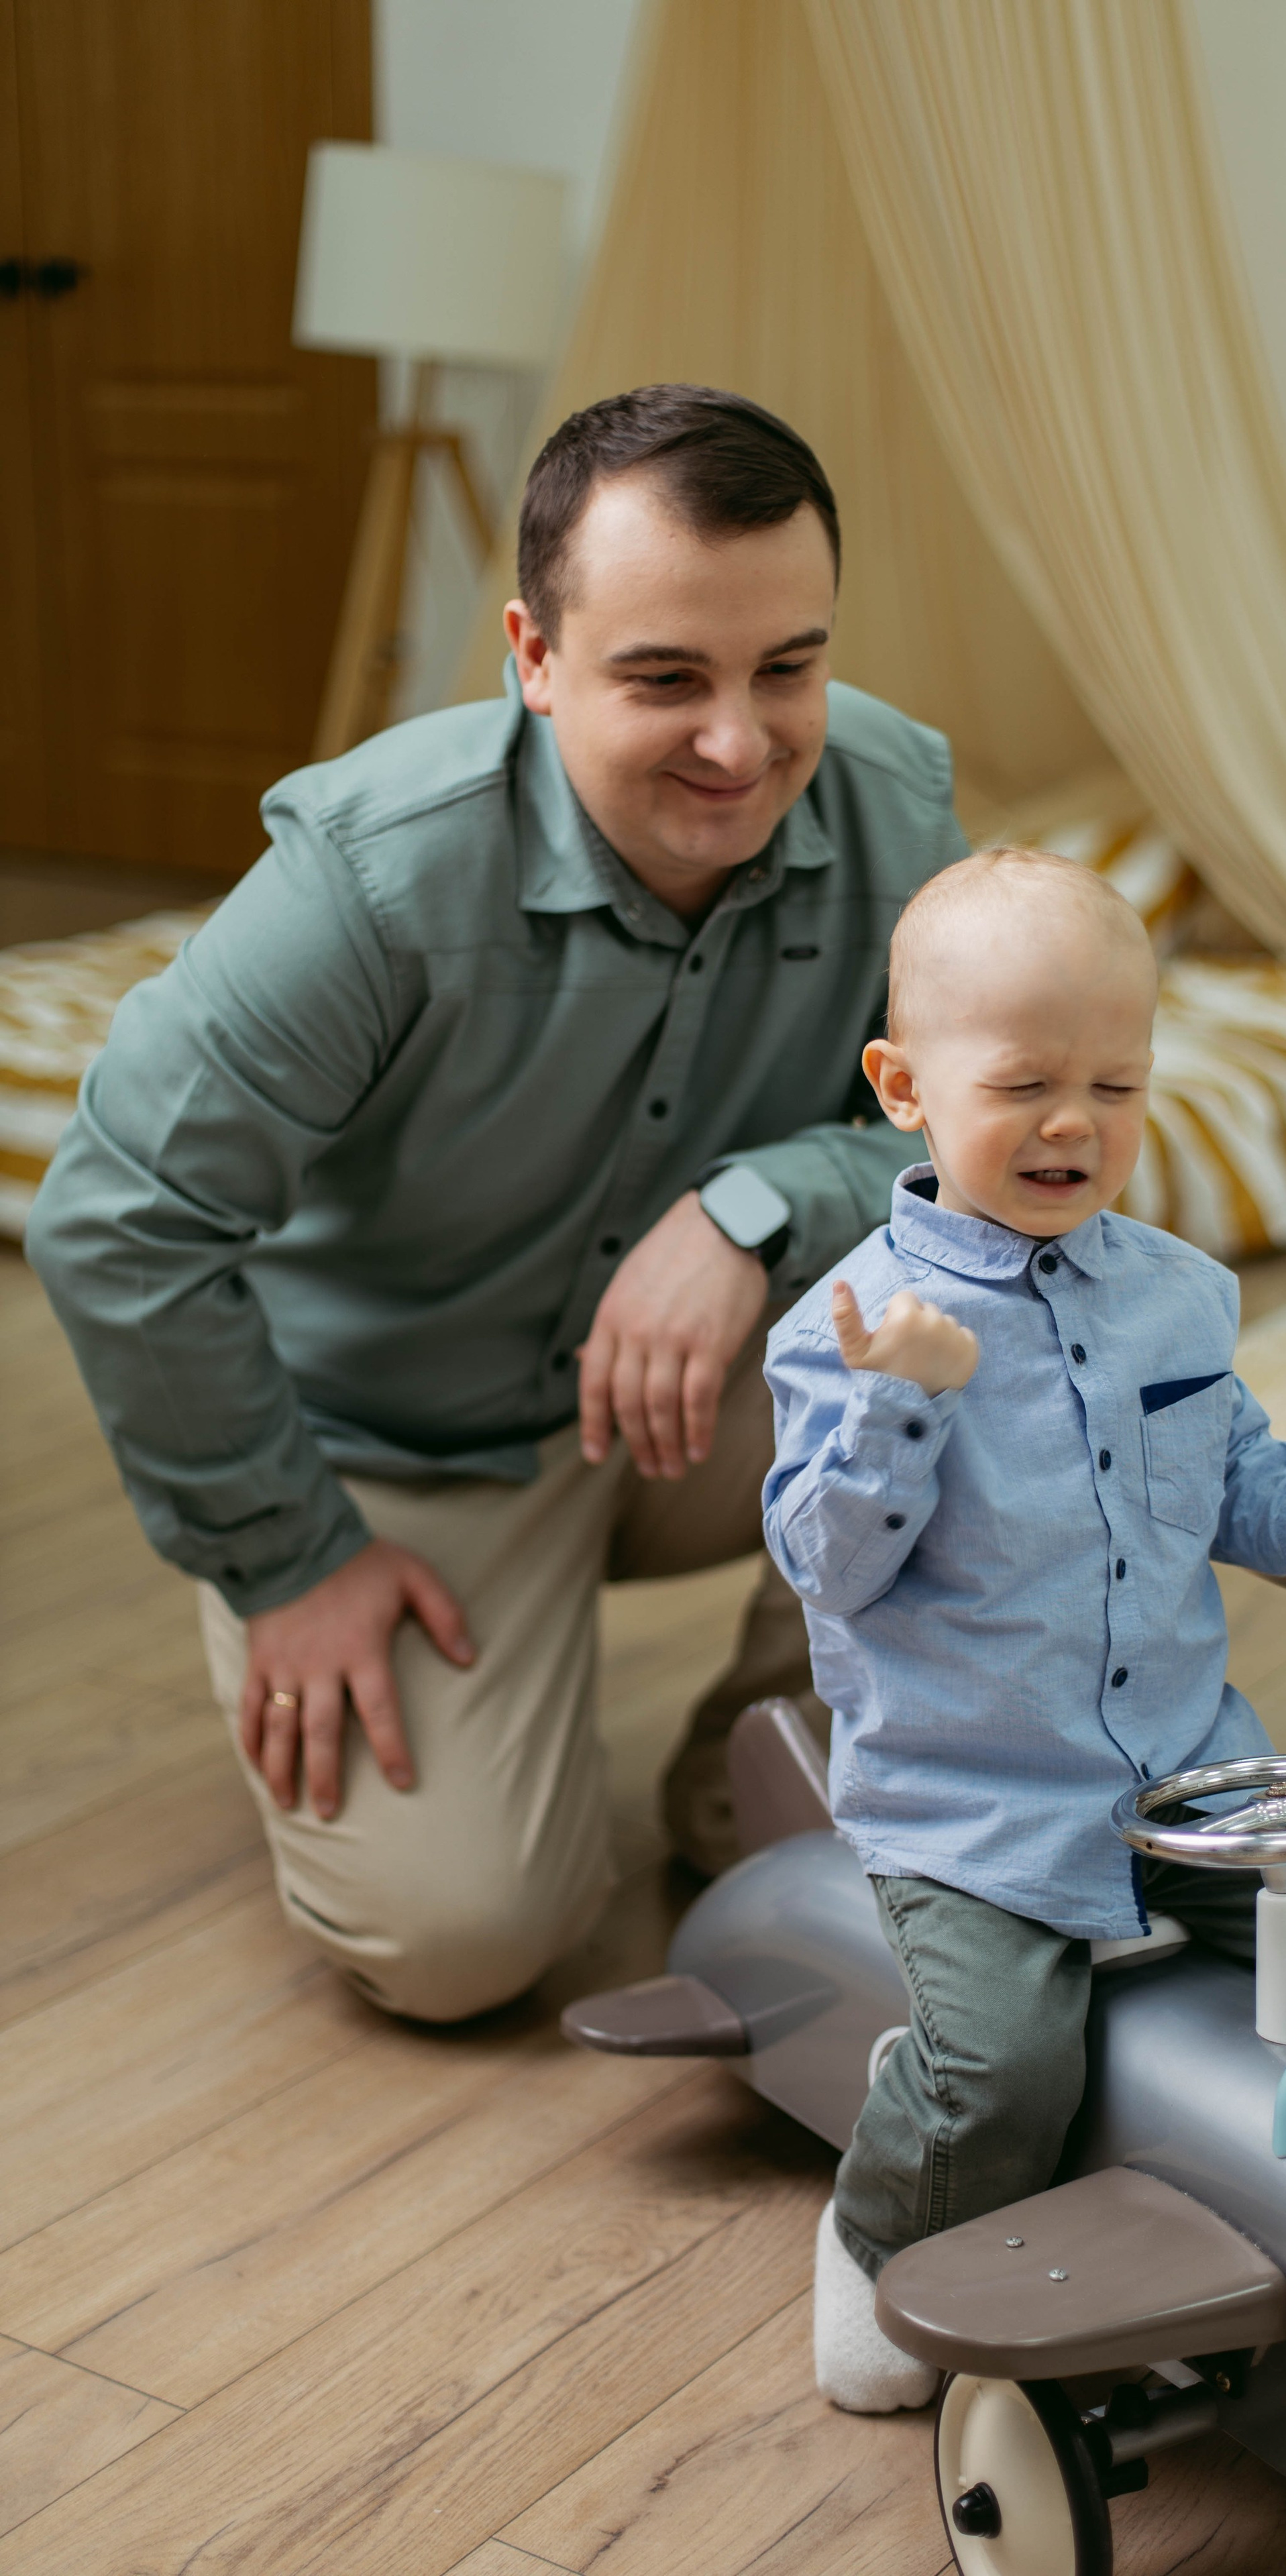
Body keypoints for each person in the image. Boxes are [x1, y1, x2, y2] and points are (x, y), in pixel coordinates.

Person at [27, 384, 964, 2023]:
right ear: (533, 656)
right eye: (664, 678)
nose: (740, 743)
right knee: (461, 1946)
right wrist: (287, 1559)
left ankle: (761, 1768)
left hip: (697, 1406)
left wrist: (752, 1205)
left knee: (988, 1334)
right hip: (402, 1443)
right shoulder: (371, 874)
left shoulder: (896, 801)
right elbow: (119, 1217)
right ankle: (341, 1625)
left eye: (786, 668)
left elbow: (973, 1143)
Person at [759, 848, 1286, 2413]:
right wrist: (902, 1405)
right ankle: (876, 2231)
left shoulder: (1177, 1293)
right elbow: (824, 1569)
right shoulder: (847, 1329)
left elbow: (1229, 1472)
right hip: (973, 1803)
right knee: (1003, 2068)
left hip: (1191, 1769)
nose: (1072, 1124)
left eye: (1113, 1086)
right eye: (1022, 1085)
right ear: (903, 1087)